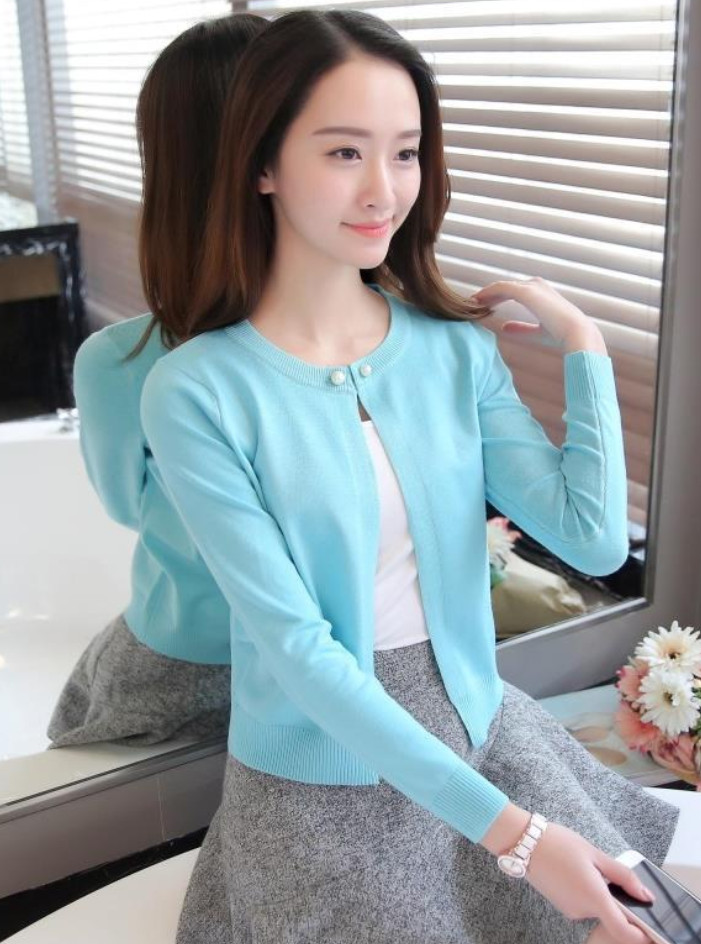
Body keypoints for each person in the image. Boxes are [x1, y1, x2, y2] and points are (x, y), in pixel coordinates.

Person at [140, 10, 685, 944]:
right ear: (262, 165)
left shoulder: (448, 351)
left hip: (479, 726)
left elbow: (592, 540)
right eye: (343, 152)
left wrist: (583, 347)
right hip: (321, 775)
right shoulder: (196, 391)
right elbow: (300, 653)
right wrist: (521, 840)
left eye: (405, 152)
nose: (383, 190)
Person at [47, 14, 268, 747]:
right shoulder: (384, 339)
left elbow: (127, 506)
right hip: (241, 667)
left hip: (181, 656)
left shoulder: (119, 363)